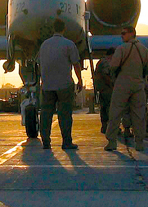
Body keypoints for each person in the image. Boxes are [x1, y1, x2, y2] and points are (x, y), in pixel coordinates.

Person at [104, 25, 148, 151]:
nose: (122, 35)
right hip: (138, 84)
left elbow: (114, 65)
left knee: (115, 112)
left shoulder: (122, 48)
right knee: (139, 114)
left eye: (124, 33)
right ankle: (139, 142)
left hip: (123, 83)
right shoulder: (144, 50)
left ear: (132, 33)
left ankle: (112, 141)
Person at [38, 19, 83, 150]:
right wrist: (80, 80)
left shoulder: (44, 45)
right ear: (64, 29)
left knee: (46, 114)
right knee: (65, 115)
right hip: (64, 85)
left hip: (47, 86)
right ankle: (66, 142)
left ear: (53, 29)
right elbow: (76, 63)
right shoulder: (68, 44)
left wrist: (42, 80)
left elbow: (40, 63)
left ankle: (45, 141)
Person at [93, 47, 115, 134]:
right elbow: (105, 75)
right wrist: (112, 84)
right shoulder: (106, 62)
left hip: (102, 89)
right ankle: (111, 128)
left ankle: (104, 126)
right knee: (110, 108)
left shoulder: (100, 61)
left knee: (103, 108)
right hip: (108, 88)